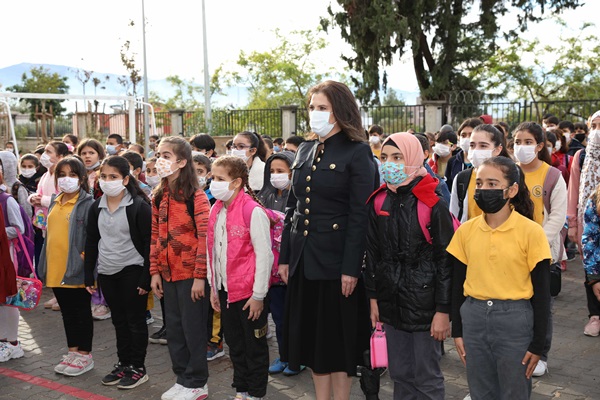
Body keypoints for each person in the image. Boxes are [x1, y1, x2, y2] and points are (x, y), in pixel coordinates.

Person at [278, 80, 376, 400]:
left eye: (323, 108)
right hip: (304, 260)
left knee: (336, 340)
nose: (315, 114)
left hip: (336, 263)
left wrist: (351, 268)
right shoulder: (305, 148)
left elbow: (360, 215)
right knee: (313, 341)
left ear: (340, 112)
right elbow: (293, 207)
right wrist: (285, 257)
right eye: (312, 107)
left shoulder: (357, 151)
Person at [449, 156, 551, 400]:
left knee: (514, 390)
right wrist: (458, 330)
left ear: (512, 189)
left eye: (493, 184)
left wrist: (538, 344)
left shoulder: (531, 232)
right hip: (473, 317)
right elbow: (456, 285)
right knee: (480, 390)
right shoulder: (466, 231)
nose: (484, 189)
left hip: (515, 320)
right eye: (480, 183)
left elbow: (542, 293)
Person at [365, 132, 453, 399]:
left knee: (426, 376)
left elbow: (446, 261)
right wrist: (373, 298)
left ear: (415, 158)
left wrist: (443, 311)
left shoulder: (432, 202)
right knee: (400, 374)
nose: (389, 163)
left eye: (397, 157)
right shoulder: (378, 200)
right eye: (384, 157)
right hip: (390, 303)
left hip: (425, 306)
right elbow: (372, 255)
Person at [206, 156, 274, 400]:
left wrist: (258, 296)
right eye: (213, 177)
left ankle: (256, 392)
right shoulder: (216, 208)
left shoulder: (252, 211)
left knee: (253, 346)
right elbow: (211, 251)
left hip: (248, 295)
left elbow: (264, 256)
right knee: (235, 344)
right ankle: (242, 389)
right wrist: (214, 288)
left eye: (219, 179)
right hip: (226, 291)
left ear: (236, 182)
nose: (214, 183)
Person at [149, 136, 211, 400]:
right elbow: (154, 236)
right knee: (174, 329)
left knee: (193, 329)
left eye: (166, 155)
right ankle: (182, 378)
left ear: (182, 162)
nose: (159, 160)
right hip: (167, 274)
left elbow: (205, 238)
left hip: (190, 276)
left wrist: (200, 277)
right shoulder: (160, 194)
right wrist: (154, 271)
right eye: (158, 154)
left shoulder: (196, 197)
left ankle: (198, 381)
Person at [84, 156, 152, 389]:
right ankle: (124, 363)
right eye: (103, 177)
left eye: (113, 177)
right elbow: (92, 241)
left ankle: (138, 367)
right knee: (119, 320)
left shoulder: (138, 207)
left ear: (125, 179)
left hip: (132, 269)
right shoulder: (97, 206)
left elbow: (148, 243)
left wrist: (146, 277)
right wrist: (89, 274)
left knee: (135, 320)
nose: (107, 181)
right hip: (107, 271)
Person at [513, 122, 567, 377]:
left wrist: (536, 243)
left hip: (542, 251)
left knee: (542, 305)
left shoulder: (553, 176)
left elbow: (557, 217)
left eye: (527, 142)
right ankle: (518, 349)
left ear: (539, 146)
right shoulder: (509, 172)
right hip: (511, 250)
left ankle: (541, 354)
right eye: (517, 142)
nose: (521, 147)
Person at [38, 157, 94, 376]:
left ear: (81, 178)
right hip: (55, 267)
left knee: (81, 312)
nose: (66, 179)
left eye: (72, 174)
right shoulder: (55, 200)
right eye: (61, 174)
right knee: (67, 313)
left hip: (75, 268)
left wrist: (85, 262)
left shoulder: (87, 203)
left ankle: (85, 355)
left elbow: (92, 238)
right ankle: (72, 352)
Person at [256, 150, 303, 376]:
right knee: (279, 318)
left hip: (294, 267)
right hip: (271, 272)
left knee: (296, 318)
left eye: (281, 171)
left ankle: (298, 357)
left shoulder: (300, 198)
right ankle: (285, 356)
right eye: (272, 171)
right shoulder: (263, 197)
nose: (276, 176)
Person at [567, 111, 600, 337]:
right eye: (594, 126)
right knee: (592, 262)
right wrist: (573, 223)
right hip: (588, 221)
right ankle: (594, 315)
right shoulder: (581, 157)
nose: (597, 130)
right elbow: (574, 191)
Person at [28, 141, 69, 310]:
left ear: (60, 156)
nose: (45, 155)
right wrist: (33, 199)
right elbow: (40, 193)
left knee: (63, 260)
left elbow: (63, 198)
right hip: (47, 224)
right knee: (53, 259)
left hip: (61, 224)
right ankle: (57, 293)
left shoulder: (63, 176)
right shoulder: (46, 174)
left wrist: (43, 200)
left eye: (49, 151)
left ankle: (64, 294)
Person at [450, 125, 510, 222]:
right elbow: (454, 215)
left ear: (497, 149)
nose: (476, 150)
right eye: (472, 145)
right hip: (469, 236)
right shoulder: (461, 178)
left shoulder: (509, 177)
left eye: (483, 146)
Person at [0, 202, 19, 363]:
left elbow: (4, 239)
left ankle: (12, 343)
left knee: (7, 300)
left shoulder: (6, 200)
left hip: (5, 259)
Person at [445, 118, 483, 191]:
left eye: (471, 134)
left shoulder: (485, 160)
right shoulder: (453, 161)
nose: (467, 138)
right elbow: (448, 187)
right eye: (463, 135)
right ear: (458, 137)